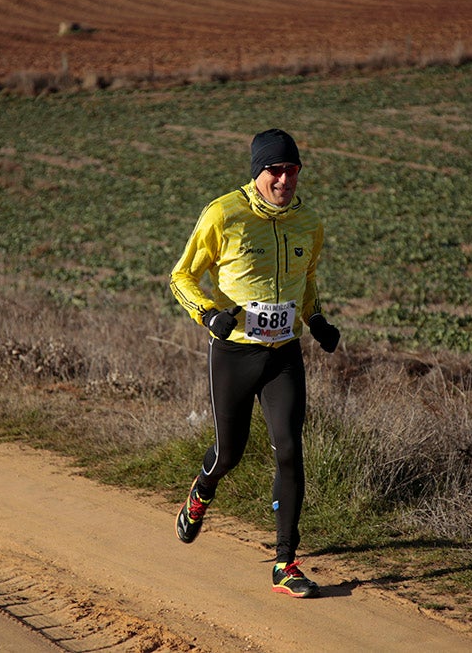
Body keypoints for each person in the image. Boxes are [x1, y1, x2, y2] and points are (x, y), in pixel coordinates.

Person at [169, 128, 341, 598]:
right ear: (257, 172)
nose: (284, 180)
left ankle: (285, 562)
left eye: (292, 170)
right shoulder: (223, 214)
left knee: (289, 448)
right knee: (230, 453)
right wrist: (208, 314)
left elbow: (306, 282)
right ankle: (200, 494)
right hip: (235, 352)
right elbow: (181, 274)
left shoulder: (310, 223)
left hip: (283, 353)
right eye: (275, 171)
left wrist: (317, 319)